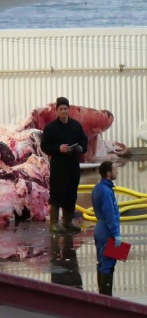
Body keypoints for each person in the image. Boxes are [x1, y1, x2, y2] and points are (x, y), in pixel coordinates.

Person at [39, 97, 89, 233]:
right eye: (61, 109)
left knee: (71, 193)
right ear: (57, 111)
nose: (63, 111)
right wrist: (58, 148)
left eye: (65, 108)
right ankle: (54, 223)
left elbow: (84, 140)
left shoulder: (76, 125)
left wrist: (81, 148)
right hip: (58, 165)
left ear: (69, 110)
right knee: (57, 193)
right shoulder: (50, 128)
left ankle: (68, 221)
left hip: (73, 164)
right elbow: (44, 146)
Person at [91, 160, 123, 296]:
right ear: (108, 173)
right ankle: (107, 298)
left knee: (102, 262)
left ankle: (102, 296)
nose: (116, 172)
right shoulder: (106, 191)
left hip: (100, 228)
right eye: (114, 169)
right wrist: (116, 234)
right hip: (106, 231)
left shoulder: (98, 188)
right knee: (108, 264)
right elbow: (110, 214)